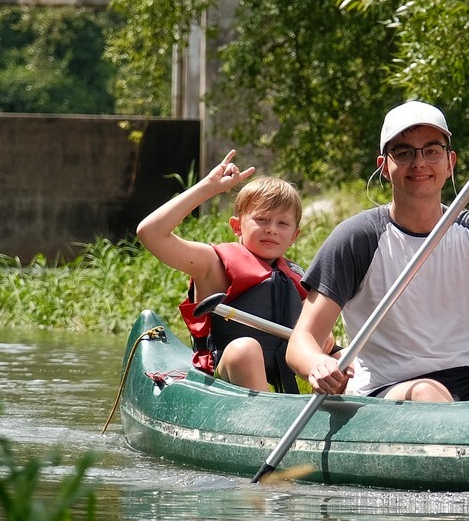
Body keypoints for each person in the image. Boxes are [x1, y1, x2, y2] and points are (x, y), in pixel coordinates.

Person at [286, 100, 469, 401]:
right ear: (384, 168)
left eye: (432, 151)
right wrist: (317, 363)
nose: (419, 163)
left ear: (449, 162)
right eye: (403, 153)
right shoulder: (358, 237)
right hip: (391, 390)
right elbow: (303, 340)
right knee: (428, 392)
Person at [137, 150, 328, 393]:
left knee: (339, 355)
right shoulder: (212, 263)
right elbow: (150, 233)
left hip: (282, 375)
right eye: (261, 219)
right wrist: (208, 187)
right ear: (237, 226)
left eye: (282, 223)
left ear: (294, 236)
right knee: (245, 349)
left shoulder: (294, 276)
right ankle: (266, 423)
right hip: (224, 376)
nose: (272, 229)